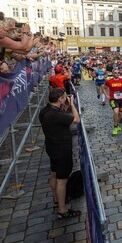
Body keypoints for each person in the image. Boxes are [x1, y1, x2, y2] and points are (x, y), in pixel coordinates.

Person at [38, 88, 81, 219]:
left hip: (51, 147)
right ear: (60, 99)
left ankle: (56, 199)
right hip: (62, 149)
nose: (66, 98)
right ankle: (63, 210)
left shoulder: (45, 111)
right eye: (64, 97)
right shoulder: (56, 115)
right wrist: (72, 104)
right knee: (62, 180)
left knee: (54, 174)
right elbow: (76, 119)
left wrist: (65, 105)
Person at [104, 69, 122, 136]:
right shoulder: (109, 81)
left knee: (119, 114)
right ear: (112, 74)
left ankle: (117, 125)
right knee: (116, 112)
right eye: (115, 73)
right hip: (113, 99)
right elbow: (103, 88)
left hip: (121, 99)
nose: (116, 74)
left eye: (118, 73)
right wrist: (106, 95)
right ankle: (115, 127)